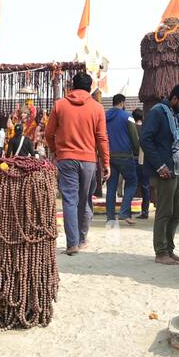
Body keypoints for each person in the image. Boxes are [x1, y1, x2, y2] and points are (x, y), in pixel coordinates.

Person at [45, 71, 110, 255]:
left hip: (66, 159)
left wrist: (56, 151)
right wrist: (106, 162)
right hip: (89, 160)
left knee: (69, 200)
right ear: (90, 88)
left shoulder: (60, 105)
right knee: (85, 199)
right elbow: (102, 138)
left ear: (72, 86)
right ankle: (82, 239)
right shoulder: (97, 108)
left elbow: (49, 134)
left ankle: (72, 244)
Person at [141, 84, 179, 265]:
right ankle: (161, 252)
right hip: (164, 171)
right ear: (174, 99)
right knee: (164, 211)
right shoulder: (157, 113)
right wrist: (160, 166)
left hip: (177, 170)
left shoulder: (177, 118)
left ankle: (169, 250)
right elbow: (145, 140)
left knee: (177, 211)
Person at [105, 94, 142, 224]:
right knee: (132, 182)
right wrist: (137, 151)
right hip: (126, 155)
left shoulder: (105, 116)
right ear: (122, 103)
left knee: (111, 187)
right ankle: (124, 212)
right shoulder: (128, 117)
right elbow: (134, 137)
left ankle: (110, 217)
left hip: (109, 156)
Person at [129, 108, 152, 219]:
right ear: (142, 117)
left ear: (133, 117)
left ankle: (127, 210)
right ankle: (145, 211)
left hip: (133, 159)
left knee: (131, 185)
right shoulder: (146, 129)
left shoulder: (131, 128)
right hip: (145, 160)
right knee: (145, 187)